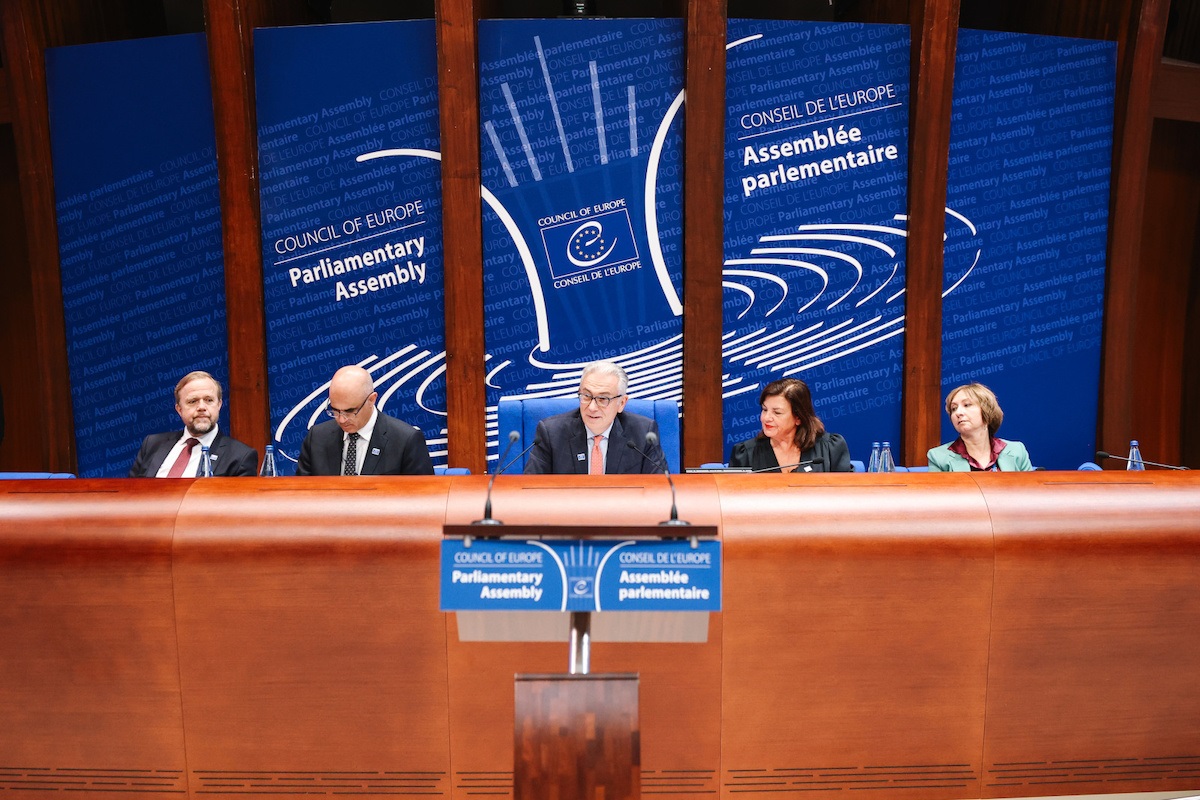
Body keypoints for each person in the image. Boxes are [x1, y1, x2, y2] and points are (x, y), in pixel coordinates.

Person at [524, 360, 666, 474]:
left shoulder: (643, 434)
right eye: (586, 396)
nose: (592, 407)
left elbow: (659, 490)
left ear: (621, 403)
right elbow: (531, 490)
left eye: (603, 399)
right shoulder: (552, 433)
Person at [296, 364, 434, 476]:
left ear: (371, 400)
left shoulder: (406, 441)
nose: (342, 420)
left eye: (350, 411)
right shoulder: (317, 438)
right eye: (335, 410)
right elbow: (301, 496)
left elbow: (424, 499)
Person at [129, 371, 257, 477]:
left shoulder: (240, 456)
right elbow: (129, 493)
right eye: (193, 401)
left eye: (209, 400)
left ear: (219, 405)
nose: (201, 407)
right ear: (179, 409)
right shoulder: (152, 444)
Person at [729, 378, 852, 473]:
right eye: (764, 410)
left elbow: (848, 495)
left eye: (777, 412)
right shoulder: (746, 454)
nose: (766, 418)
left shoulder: (829, 448)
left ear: (798, 418)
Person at [927, 382, 1033, 471]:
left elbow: (1032, 492)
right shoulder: (938, 457)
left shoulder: (1017, 451)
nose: (958, 413)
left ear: (986, 410)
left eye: (967, 405)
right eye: (954, 408)